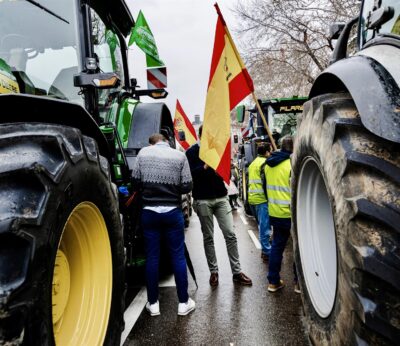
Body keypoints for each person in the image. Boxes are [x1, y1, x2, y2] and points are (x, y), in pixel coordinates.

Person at [132, 133, 196, 316]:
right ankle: (183, 303)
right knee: (178, 256)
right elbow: (187, 186)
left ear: (151, 143)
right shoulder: (179, 156)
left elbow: (135, 183)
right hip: (172, 212)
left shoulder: (143, 154)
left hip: (149, 213)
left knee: (152, 257)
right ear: (167, 141)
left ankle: (153, 304)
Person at [186, 125, 252, 287]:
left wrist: (224, 169)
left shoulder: (217, 150)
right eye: (208, 136)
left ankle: (237, 272)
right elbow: (192, 174)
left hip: (221, 197)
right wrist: (206, 166)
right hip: (203, 199)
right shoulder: (192, 152)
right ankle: (214, 272)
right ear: (201, 136)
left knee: (230, 234)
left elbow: (226, 175)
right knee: (208, 237)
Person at [264, 136, 299, 293]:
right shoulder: (292, 164)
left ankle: (273, 281)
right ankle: (298, 283)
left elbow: (266, 189)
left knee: (277, 247)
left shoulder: (268, 165)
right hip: (291, 213)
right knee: (298, 248)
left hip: (275, 212)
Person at [248, 143, 271, 262]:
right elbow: (265, 183)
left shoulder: (253, 163)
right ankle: (267, 251)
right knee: (264, 228)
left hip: (252, 199)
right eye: (270, 151)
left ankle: (265, 249)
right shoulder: (264, 164)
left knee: (261, 225)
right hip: (261, 199)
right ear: (267, 152)